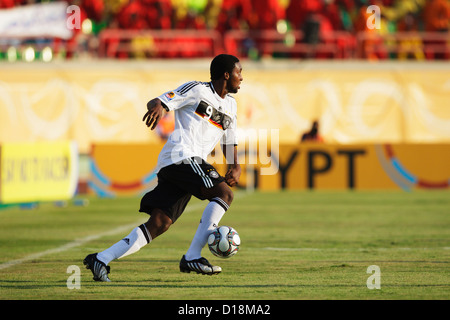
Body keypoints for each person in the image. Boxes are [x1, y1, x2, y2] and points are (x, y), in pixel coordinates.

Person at [83, 54, 243, 281]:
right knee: (224, 194)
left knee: (160, 223)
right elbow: (160, 101)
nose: (242, 78)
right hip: (181, 156)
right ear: (227, 75)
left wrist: (235, 165)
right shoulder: (197, 90)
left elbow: (229, 139)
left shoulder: (231, 106)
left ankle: (101, 259)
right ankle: (192, 256)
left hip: (185, 165)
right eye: (239, 72)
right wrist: (157, 108)